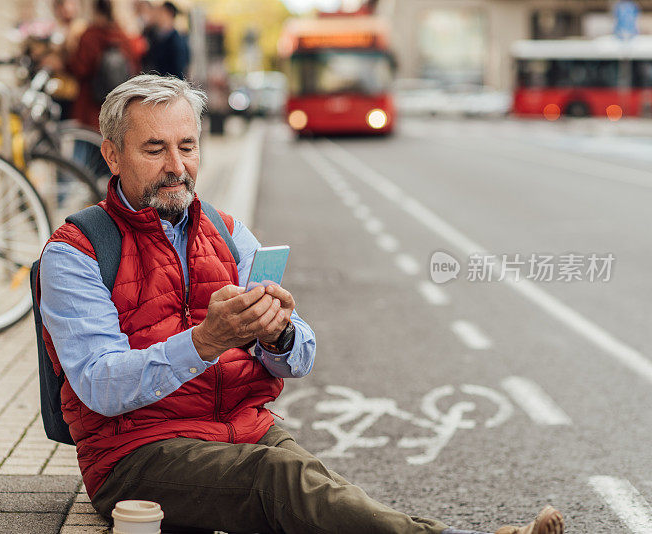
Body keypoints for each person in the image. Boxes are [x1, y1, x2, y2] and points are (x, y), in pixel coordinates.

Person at [38, 74, 565, 534]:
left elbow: (305, 354)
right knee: (285, 482)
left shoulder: (226, 232)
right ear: (111, 153)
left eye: (188, 146)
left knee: (325, 504)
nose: (178, 166)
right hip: (135, 454)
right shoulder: (77, 250)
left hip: (244, 426)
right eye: (155, 150)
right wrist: (205, 342)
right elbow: (99, 386)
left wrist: (279, 335)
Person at [66, 0, 140, 130]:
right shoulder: (123, 36)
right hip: (117, 104)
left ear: (95, 10)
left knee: (86, 142)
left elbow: (80, 68)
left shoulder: (90, 35)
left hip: (89, 104)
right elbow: (134, 67)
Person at [143, 1, 189, 79]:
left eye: (160, 12)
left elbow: (179, 70)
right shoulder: (157, 37)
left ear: (168, 14)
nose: (157, 16)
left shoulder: (176, 41)